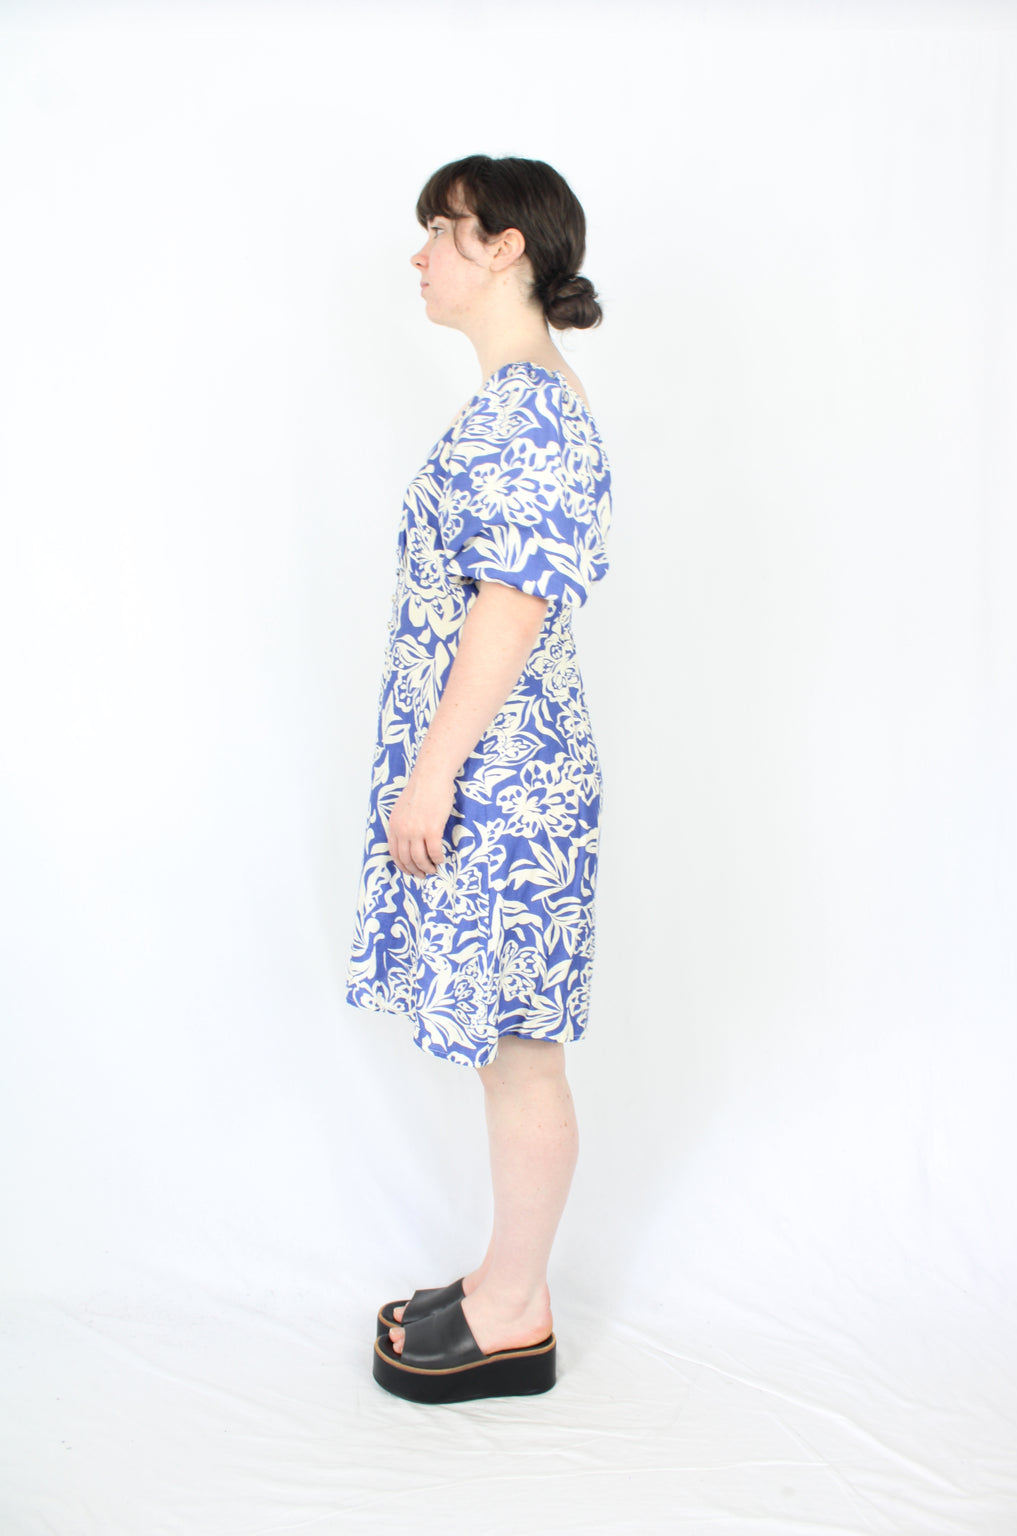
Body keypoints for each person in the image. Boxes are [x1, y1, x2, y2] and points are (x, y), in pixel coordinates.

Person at [345, 154, 613, 1405]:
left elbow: (510, 608)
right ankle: (508, 1282)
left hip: (503, 782)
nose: (420, 255)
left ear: (507, 248)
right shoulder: (518, 399)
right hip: (499, 772)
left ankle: (515, 1312)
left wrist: (431, 780)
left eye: (443, 232)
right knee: (511, 1049)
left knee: (522, 1053)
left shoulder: (529, 413)